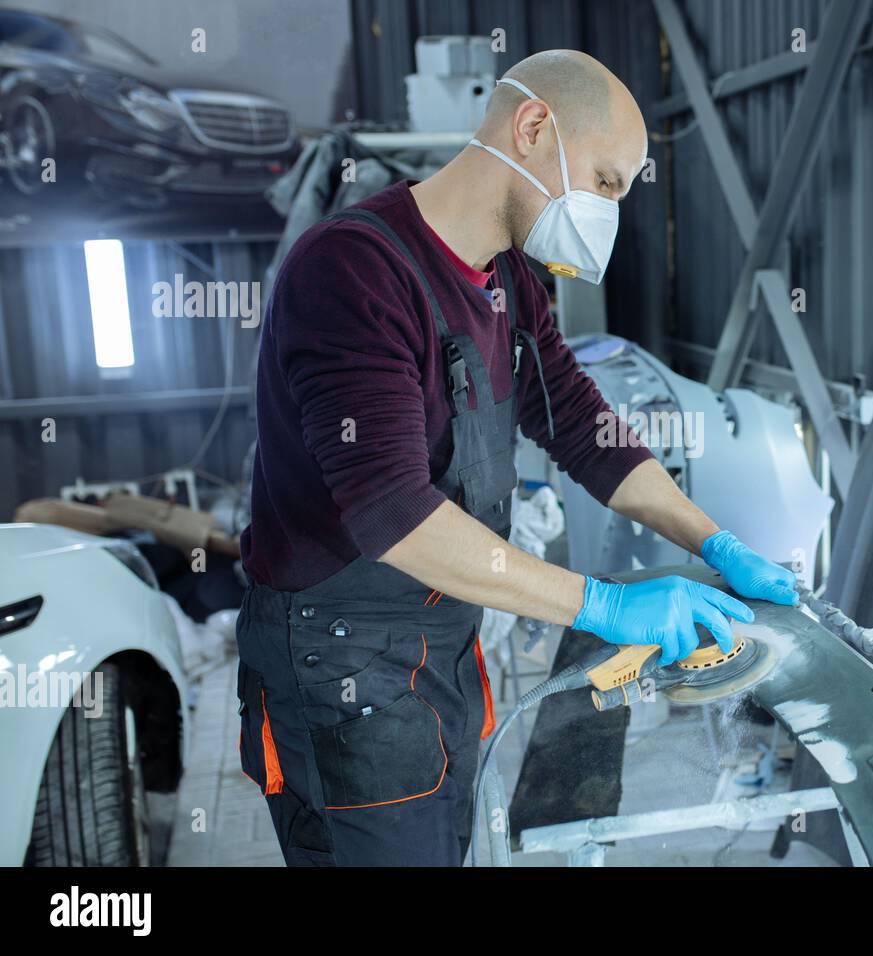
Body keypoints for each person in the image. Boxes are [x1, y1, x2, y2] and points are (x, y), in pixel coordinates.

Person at [235, 49, 797, 866]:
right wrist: (604, 605)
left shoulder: (508, 283)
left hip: (439, 643)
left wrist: (711, 539)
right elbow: (397, 517)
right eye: (606, 182)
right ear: (533, 127)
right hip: (341, 667)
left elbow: (580, 425)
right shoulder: (351, 273)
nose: (608, 208)